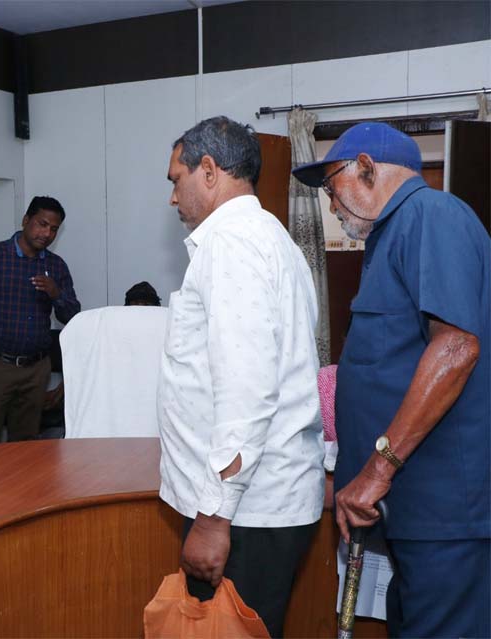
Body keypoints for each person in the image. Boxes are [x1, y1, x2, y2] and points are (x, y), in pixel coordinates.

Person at [293, 122, 490, 638]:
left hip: (443, 515)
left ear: (366, 167)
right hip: (414, 514)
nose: (330, 203)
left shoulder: (431, 215)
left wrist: (377, 471)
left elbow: (456, 347)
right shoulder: (392, 233)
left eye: (331, 184)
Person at [158, 116, 324, 636]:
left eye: (176, 179)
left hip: (246, 510)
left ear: (208, 170)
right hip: (257, 503)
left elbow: (246, 392)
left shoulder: (231, 245)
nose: (173, 197)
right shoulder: (271, 237)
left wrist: (213, 518)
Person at [0, 196, 80, 445]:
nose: (47, 234)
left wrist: (56, 294)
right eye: (42, 224)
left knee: (27, 443)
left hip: (36, 369)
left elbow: (73, 316)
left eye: (54, 229)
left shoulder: (56, 266)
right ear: (25, 220)